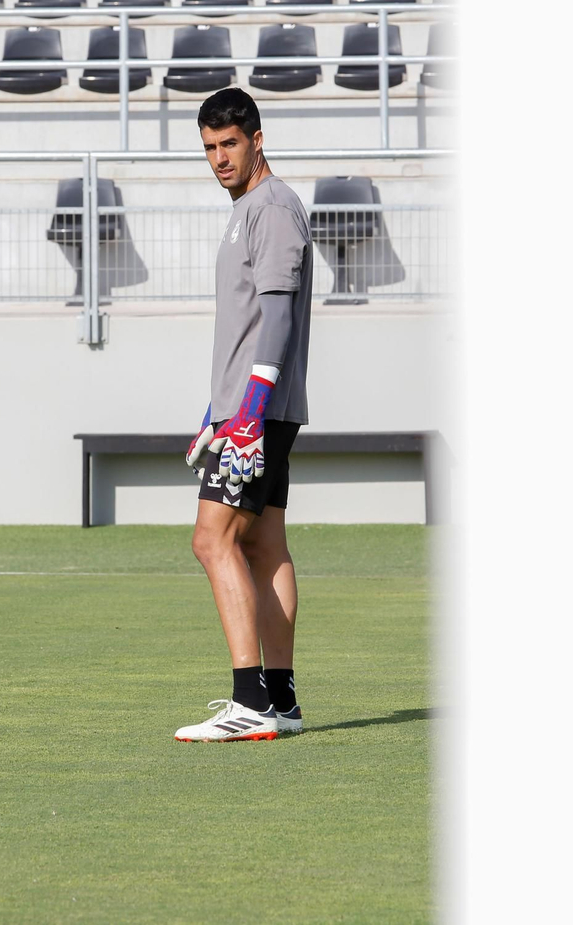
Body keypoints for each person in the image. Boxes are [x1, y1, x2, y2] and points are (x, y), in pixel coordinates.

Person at [175, 88, 314, 743]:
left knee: (212, 540)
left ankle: (249, 699)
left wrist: (249, 414)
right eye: (209, 148)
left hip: (257, 414)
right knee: (262, 543)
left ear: (258, 139)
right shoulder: (246, 209)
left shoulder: (273, 207)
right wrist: (216, 410)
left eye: (229, 144)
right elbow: (248, 323)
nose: (219, 158)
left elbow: (280, 317)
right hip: (246, 410)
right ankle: (280, 702)